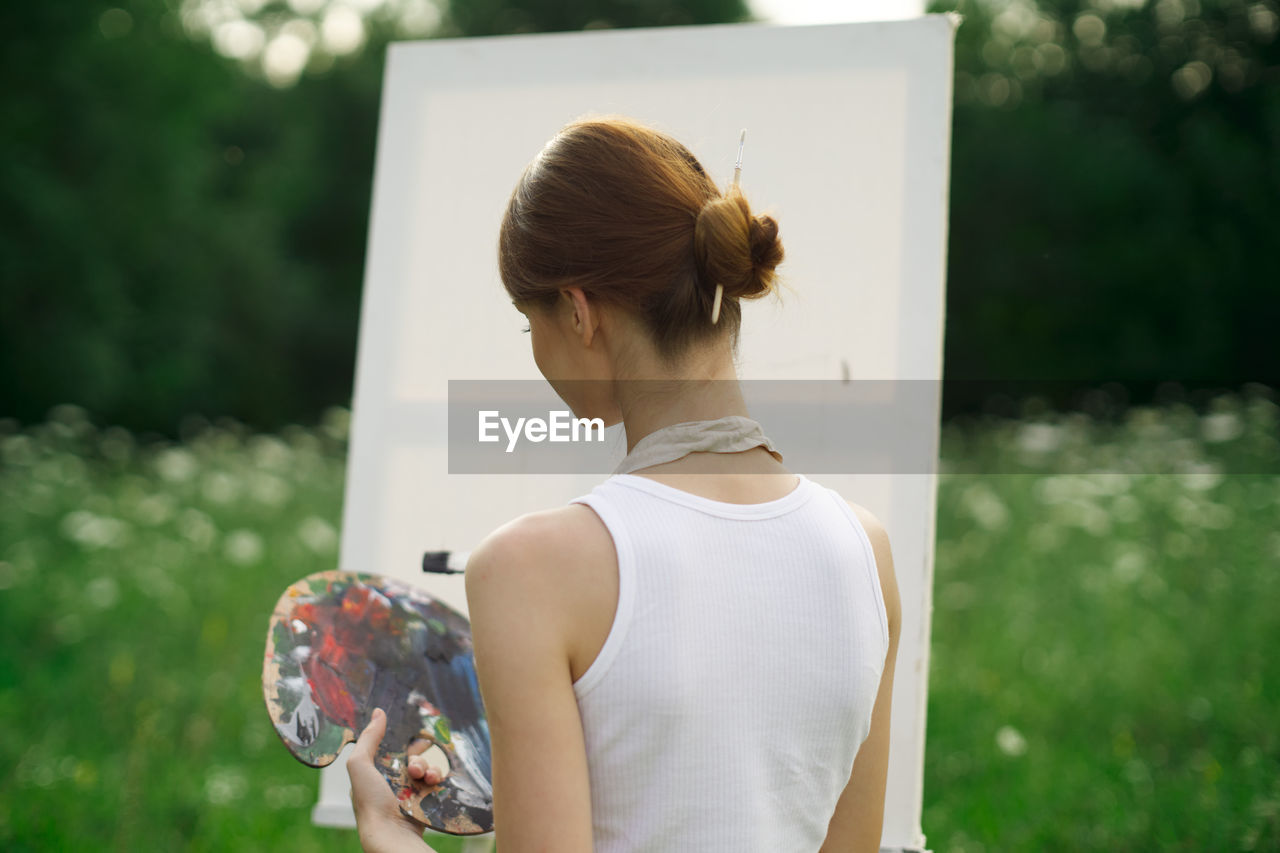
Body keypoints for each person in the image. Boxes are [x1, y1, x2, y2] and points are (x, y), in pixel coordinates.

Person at [347, 115, 901, 853]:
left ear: (577, 312)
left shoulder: (530, 566)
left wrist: (389, 834)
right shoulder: (867, 549)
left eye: (528, 323)